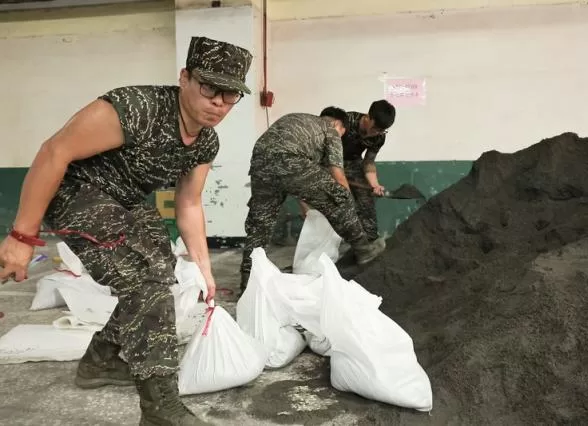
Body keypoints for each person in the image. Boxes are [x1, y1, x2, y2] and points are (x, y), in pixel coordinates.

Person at [0, 36, 252, 425]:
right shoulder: (136, 108)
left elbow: (188, 202)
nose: (219, 102)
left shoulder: (205, 141)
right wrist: (22, 237)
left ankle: (100, 359)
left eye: (231, 95)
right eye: (210, 88)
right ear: (185, 78)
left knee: (160, 273)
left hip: (128, 200)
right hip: (75, 191)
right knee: (144, 280)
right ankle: (160, 409)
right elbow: (54, 152)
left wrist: (204, 266)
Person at [239, 107, 387, 291]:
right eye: (343, 132)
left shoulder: (294, 118)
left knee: (260, 222)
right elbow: (337, 175)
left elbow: (296, 180)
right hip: (290, 159)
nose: (341, 136)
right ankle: (364, 250)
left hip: (260, 160)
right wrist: (346, 201)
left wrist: (305, 207)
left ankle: (248, 281)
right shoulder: (330, 130)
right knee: (339, 196)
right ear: (337, 123)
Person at [301, 100, 396, 242]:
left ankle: (368, 242)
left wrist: (374, 184)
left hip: (352, 162)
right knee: (333, 200)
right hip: (327, 161)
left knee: (365, 200)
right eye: (375, 128)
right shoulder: (346, 122)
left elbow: (368, 162)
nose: (377, 132)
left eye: (382, 130)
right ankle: (328, 241)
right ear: (368, 116)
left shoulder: (379, 136)